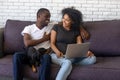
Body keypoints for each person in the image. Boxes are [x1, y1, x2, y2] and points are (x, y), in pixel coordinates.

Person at [50, 7, 96, 80]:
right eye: (63, 18)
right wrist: (57, 52)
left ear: (73, 22)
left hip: (70, 56)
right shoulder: (56, 27)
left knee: (92, 59)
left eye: (67, 20)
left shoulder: (75, 30)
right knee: (67, 62)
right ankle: (68, 64)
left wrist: (86, 52)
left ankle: (70, 63)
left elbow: (79, 45)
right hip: (56, 55)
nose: (64, 21)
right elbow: (52, 43)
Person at [13, 8, 52, 80]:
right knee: (17, 56)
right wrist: (44, 39)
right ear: (39, 17)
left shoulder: (50, 27)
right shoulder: (29, 28)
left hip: (43, 54)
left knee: (47, 57)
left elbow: (63, 23)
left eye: (49, 17)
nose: (48, 19)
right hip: (30, 54)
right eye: (46, 17)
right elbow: (27, 43)